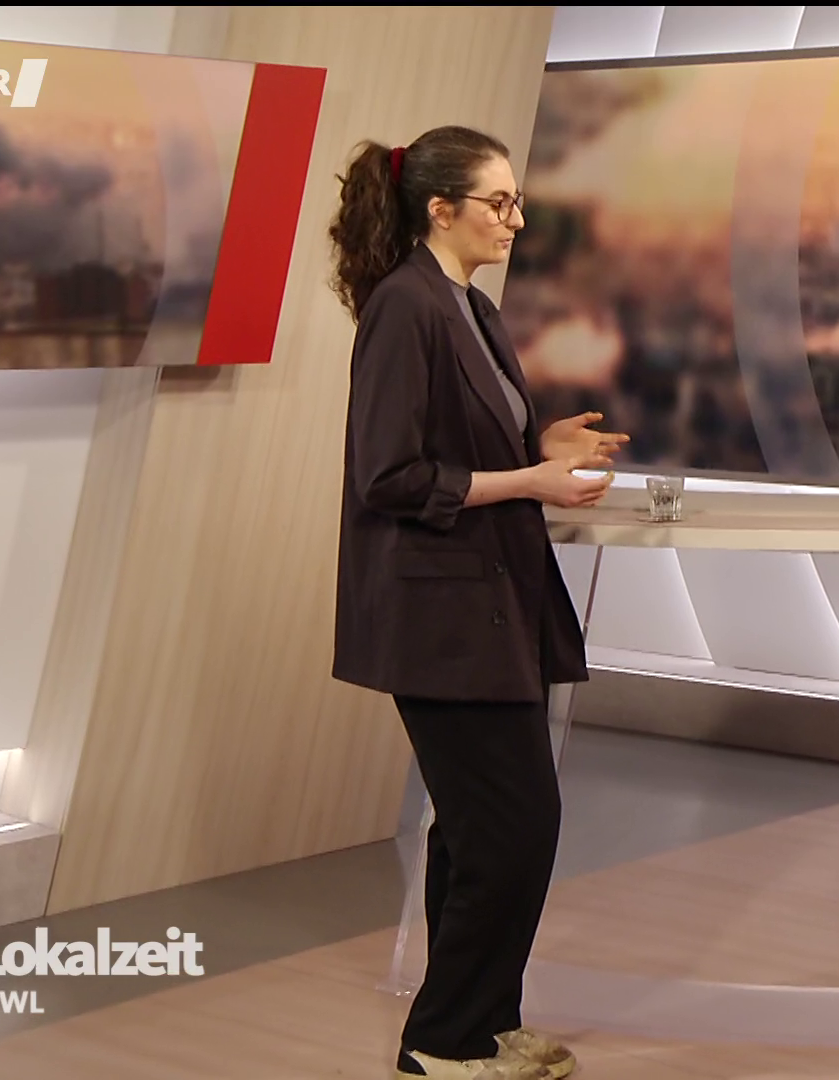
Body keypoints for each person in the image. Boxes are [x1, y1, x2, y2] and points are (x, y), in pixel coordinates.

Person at [328, 125, 628, 1080]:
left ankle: (483, 1028)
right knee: (512, 831)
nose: (517, 219)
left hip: (492, 608)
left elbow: (462, 443)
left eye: (517, 201)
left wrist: (540, 446)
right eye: (500, 202)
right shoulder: (405, 307)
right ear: (439, 209)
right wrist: (532, 481)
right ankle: (442, 1042)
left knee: (480, 833)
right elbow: (390, 476)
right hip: (440, 621)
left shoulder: (471, 308)